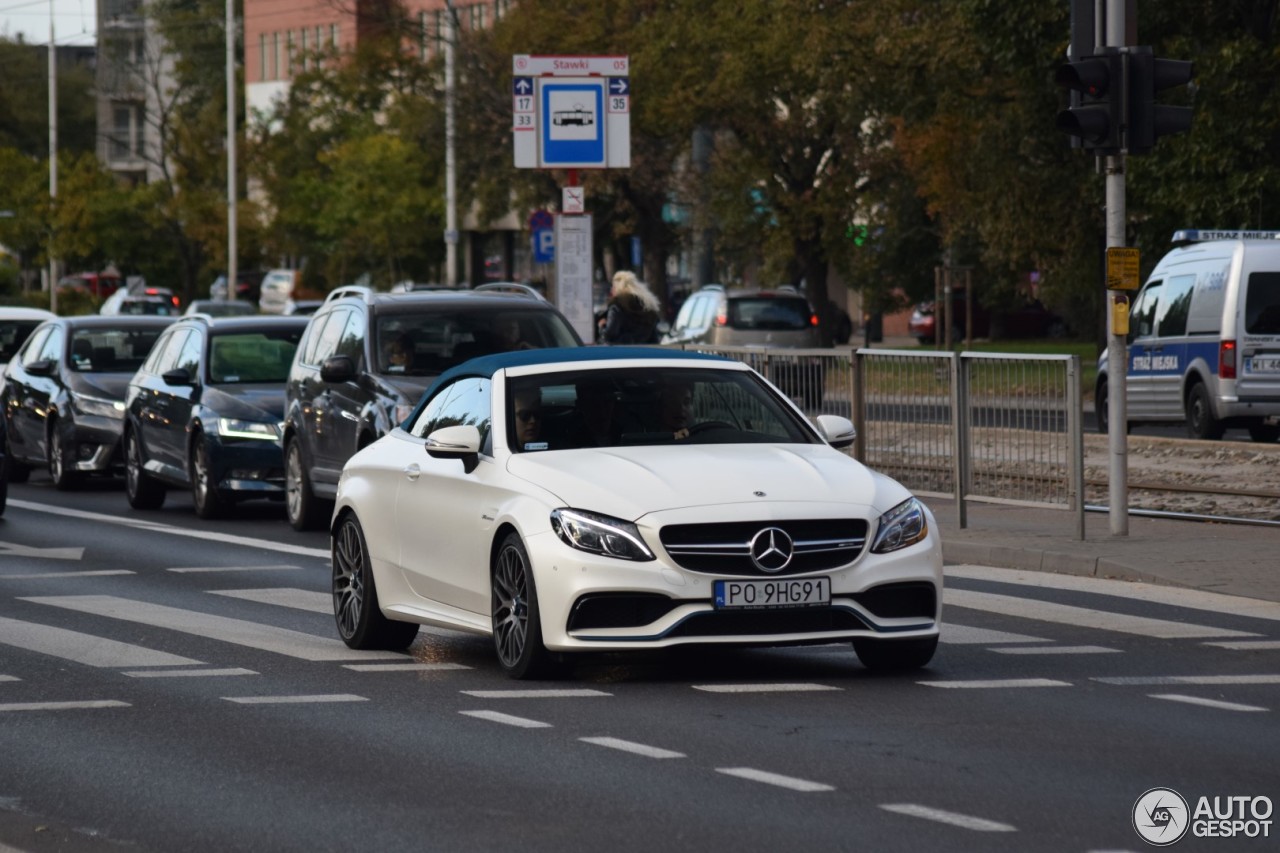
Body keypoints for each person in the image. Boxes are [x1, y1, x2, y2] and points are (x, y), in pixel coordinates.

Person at [602, 271, 661, 344]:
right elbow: (654, 340)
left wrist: (602, 327)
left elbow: (609, 337)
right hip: (644, 354)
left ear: (617, 289)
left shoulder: (617, 307)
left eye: (613, 287)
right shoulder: (647, 309)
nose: (611, 290)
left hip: (621, 353)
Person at [563, 379, 619, 448]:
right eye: (594, 403)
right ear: (580, 405)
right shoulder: (570, 444)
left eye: (606, 402)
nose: (601, 410)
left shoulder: (631, 430)